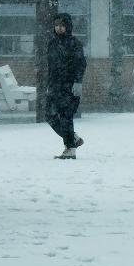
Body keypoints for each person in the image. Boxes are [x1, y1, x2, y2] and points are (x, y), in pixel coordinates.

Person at [46, 12, 86, 159]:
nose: (59, 28)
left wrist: (78, 82)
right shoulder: (52, 44)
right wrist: (49, 84)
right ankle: (73, 138)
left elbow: (81, 64)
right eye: (56, 25)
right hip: (54, 85)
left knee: (65, 116)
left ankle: (69, 148)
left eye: (62, 25)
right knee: (49, 115)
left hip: (69, 85)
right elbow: (51, 66)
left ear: (68, 26)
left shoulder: (74, 44)